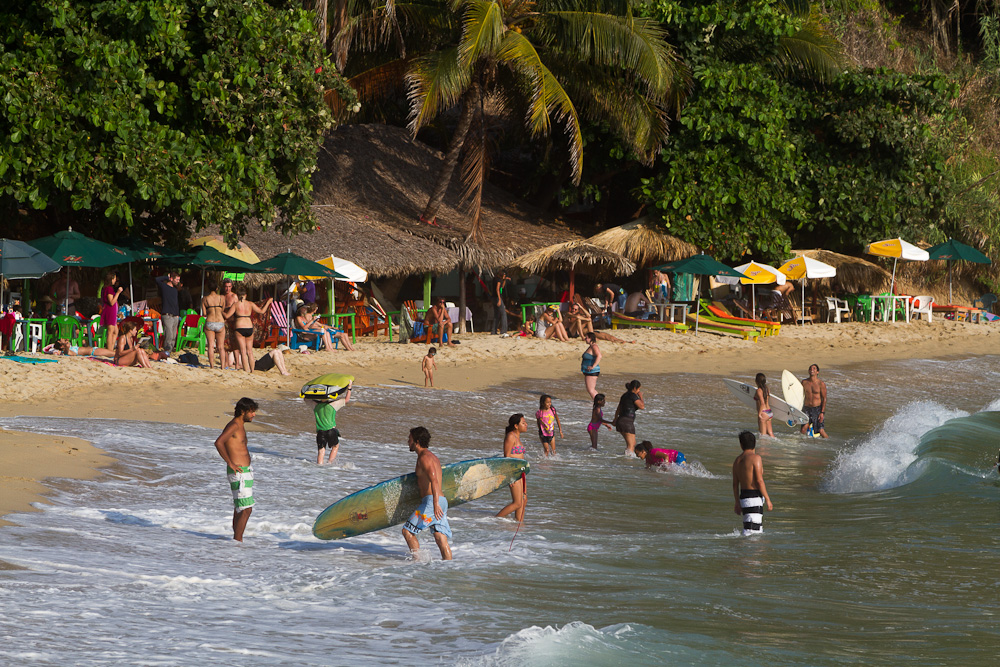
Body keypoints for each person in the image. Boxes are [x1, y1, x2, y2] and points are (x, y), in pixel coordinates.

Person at [401, 426, 452, 560]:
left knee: (407, 531)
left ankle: (416, 563)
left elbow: (434, 480)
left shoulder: (424, 458)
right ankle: (449, 565)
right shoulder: (432, 457)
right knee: (440, 537)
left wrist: (434, 504)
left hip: (432, 501)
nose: (408, 442)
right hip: (441, 501)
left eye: (410, 439)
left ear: (416, 441)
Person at [213, 397, 259, 541]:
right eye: (251, 412)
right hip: (238, 473)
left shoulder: (240, 425)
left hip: (245, 472)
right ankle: (238, 541)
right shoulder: (234, 425)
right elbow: (219, 442)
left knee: (240, 508)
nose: (254, 415)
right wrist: (230, 463)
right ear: (243, 411)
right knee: (246, 509)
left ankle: (235, 541)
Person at [732, 430, 772, 535]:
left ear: (741, 445)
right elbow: (759, 481)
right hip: (754, 497)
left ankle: (743, 550)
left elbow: (735, 485)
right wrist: (768, 499)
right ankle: (748, 550)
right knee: (753, 532)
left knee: (749, 528)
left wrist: (737, 502)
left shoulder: (737, 461)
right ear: (755, 443)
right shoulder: (756, 458)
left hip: (743, 497)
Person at [224, 286, 271, 372]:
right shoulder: (250, 304)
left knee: (243, 351)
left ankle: (246, 371)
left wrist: (219, 311)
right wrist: (268, 302)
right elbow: (261, 311)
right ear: (246, 295)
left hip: (239, 327)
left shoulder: (236, 305)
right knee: (250, 352)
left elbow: (227, 316)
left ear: (238, 296)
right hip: (249, 327)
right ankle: (252, 371)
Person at [496, 414, 528, 523]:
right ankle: (495, 520)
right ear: (516, 425)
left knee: (524, 499)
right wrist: (510, 476)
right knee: (517, 502)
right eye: (523, 423)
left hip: (521, 472)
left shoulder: (517, 437)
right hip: (513, 472)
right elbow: (507, 456)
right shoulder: (510, 436)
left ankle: (519, 523)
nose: (526, 424)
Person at [313, 382, 351, 465]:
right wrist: (349, 388)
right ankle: (330, 463)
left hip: (320, 432)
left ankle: (319, 466)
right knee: (335, 446)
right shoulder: (333, 404)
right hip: (331, 430)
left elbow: (305, 399)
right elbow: (347, 400)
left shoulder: (315, 405)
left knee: (321, 450)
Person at [200, 279, 228, 370]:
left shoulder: (204, 299)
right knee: (221, 347)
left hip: (210, 322)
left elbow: (204, 312)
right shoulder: (222, 298)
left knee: (211, 346)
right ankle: (223, 366)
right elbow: (222, 310)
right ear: (217, 288)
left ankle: (212, 366)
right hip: (220, 322)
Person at [612, 380, 644, 455]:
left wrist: (615, 419)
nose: (639, 391)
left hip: (621, 421)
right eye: (639, 389)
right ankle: (627, 461)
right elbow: (642, 406)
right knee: (631, 445)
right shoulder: (633, 396)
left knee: (633, 443)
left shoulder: (624, 395)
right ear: (635, 388)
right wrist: (641, 396)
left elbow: (618, 409)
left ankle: (626, 459)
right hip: (627, 423)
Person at [800, 364, 828, 438]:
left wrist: (822, 412)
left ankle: (829, 444)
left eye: (814, 368)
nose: (812, 369)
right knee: (803, 429)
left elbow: (824, 398)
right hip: (806, 408)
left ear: (817, 372)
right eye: (810, 368)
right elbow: (798, 395)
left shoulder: (821, 384)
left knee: (821, 431)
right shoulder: (804, 382)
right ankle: (801, 446)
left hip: (817, 409)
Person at [100, 271, 124, 348]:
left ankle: (112, 347)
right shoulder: (109, 289)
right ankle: (109, 349)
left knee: (115, 331)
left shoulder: (105, 288)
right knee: (110, 332)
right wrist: (118, 293)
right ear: (111, 279)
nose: (115, 281)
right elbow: (111, 302)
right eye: (114, 279)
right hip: (110, 311)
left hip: (112, 311)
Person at [581, 331, 601, 398]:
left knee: (591, 390)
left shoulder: (594, 346)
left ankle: (597, 404)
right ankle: (598, 402)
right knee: (592, 390)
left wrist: (593, 366)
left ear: (591, 338)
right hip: (589, 371)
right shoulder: (591, 346)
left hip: (592, 371)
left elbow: (599, 356)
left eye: (586, 338)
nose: (585, 339)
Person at [754, 372, 774, 437]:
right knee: (770, 433)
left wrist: (759, 414)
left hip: (763, 413)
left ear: (756, 381)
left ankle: (763, 447)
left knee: (763, 436)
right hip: (769, 412)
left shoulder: (759, 390)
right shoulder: (767, 389)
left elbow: (762, 403)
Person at [48, 338, 115, 357]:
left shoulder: (69, 348)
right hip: (93, 352)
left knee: (114, 353)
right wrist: (66, 346)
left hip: (94, 349)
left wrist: (66, 342)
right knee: (114, 353)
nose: (62, 338)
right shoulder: (67, 351)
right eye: (60, 340)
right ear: (62, 346)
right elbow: (70, 352)